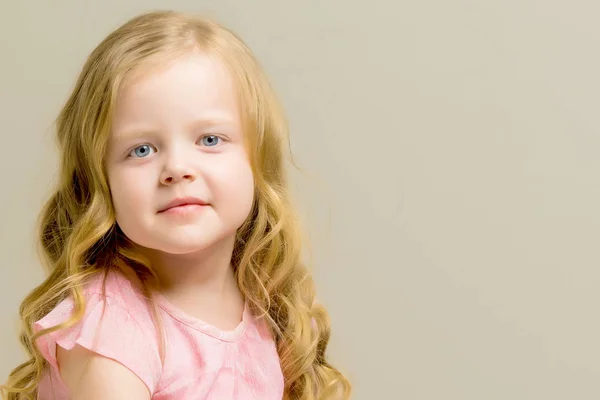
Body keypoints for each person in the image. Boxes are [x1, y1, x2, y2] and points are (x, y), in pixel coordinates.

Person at [2, 10, 350, 400]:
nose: (178, 169)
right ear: (99, 180)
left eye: (210, 139)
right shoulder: (111, 328)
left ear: (257, 160)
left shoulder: (263, 307)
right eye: (142, 149)